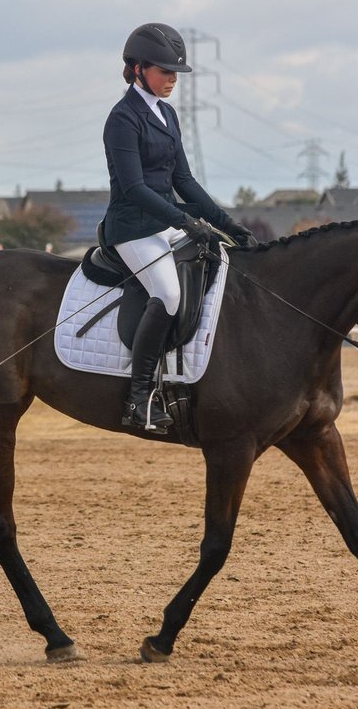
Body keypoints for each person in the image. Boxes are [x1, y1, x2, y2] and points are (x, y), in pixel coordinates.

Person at [102, 22, 256, 431]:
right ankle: (140, 399)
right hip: (132, 228)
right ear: (137, 69)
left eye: (176, 73)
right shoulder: (123, 119)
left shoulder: (166, 114)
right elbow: (134, 188)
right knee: (168, 293)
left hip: (164, 224)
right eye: (164, 71)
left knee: (219, 268)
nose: (172, 80)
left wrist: (227, 224)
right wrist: (185, 221)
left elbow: (183, 181)